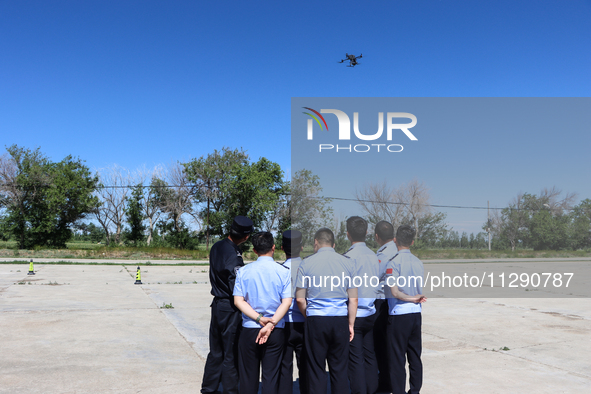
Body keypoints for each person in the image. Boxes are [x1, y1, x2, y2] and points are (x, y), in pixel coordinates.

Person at [295, 228, 358, 394]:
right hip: (340, 320)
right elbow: (353, 299)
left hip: (316, 319)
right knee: (339, 369)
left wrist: (308, 314)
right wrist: (350, 323)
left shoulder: (306, 263)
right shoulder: (348, 262)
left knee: (316, 369)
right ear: (334, 244)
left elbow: (300, 298)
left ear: (316, 242)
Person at [233, 231, 293, 394]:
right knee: (271, 377)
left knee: (247, 377)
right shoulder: (284, 272)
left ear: (254, 250)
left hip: (250, 328)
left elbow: (238, 301)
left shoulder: (244, 271)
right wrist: (271, 322)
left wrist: (259, 318)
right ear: (273, 248)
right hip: (275, 330)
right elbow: (287, 302)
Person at [201, 215, 253, 394]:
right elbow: (235, 285)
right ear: (246, 237)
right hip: (230, 308)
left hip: (217, 305)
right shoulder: (234, 255)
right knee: (230, 353)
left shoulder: (217, 246)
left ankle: (208, 388)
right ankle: (230, 391)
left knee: (215, 351)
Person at [385, 225, 427, 394]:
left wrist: (410, 298)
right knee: (415, 356)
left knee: (397, 359)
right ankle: (415, 390)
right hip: (415, 314)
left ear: (395, 240)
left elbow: (395, 292)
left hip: (399, 315)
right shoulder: (418, 262)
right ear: (412, 242)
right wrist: (415, 299)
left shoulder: (393, 263)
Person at [343, 216, 380, 394]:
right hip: (370, 312)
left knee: (355, 359)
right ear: (366, 232)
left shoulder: (348, 258)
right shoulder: (374, 256)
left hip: (354, 315)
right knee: (370, 355)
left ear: (348, 234)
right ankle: (372, 389)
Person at [279, 230, 308, 394]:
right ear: (302, 247)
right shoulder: (309, 268)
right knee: (306, 366)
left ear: (282, 248)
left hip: (285, 323)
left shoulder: (280, 270)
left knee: (285, 366)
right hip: (304, 322)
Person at [373, 220, 398, 393]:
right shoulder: (397, 250)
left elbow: (374, 279)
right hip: (395, 302)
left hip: (382, 302)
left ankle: (384, 381)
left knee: (380, 345)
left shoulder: (382, 255)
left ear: (377, 236)